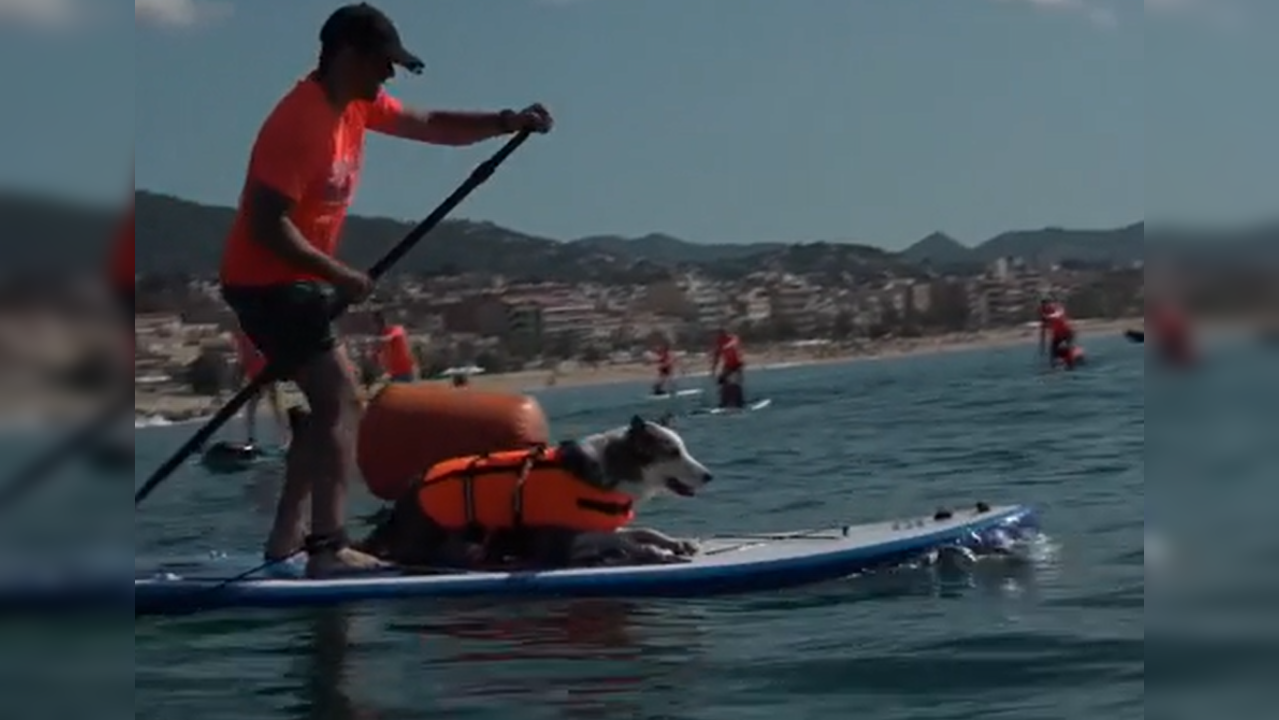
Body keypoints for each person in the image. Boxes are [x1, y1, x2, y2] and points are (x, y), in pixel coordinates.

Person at [217, 2, 553, 577]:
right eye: (383, 62)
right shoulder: (297, 122)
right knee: (343, 398)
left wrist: (504, 122)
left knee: (325, 408)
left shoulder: (356, 106)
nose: (390, 75)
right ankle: (329, 548)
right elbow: (265, 226)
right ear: (348, 55)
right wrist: (338, 273)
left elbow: (428, 124)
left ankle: (284, 543)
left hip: (296, 282)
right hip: (265, 282)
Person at [232, 328, 290, 449]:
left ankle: (286, 438)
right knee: (251, 409)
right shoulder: (241, 340)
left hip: (267, 374)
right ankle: (251, 439)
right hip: (256, 378)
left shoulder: (255, 336)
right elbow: (243, 361)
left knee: (275, 406)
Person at [374, 311, 417, 383]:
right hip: (394, 372)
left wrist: (374, 339)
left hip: (405, 368)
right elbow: (381, 352)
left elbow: (389, 338)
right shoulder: (384, 333)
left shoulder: (397, 329)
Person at [1037, 297, 1078, 370]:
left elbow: (1059, 313)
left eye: (1047, 304)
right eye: (1044, 305)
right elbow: (1043, 330)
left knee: (1067, 349)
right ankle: (1055, 366)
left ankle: (1071, 364)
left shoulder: (1056, 309)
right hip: (1057, 336)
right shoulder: (1044, 315)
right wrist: (1042, 345)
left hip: (1067, 333)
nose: (1046, 306)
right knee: (1053, 353)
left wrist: (1048, 317)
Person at [709, 328, 746, 409]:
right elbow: (717, 356)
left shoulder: (733, 338)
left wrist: (724, 347)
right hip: (728, 365)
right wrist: (713, 369)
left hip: (737, 364)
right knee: (722, 382)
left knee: (734, 383)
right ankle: (724, 402)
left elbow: (733, 344)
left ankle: (739, 402)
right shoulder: (720, 342)